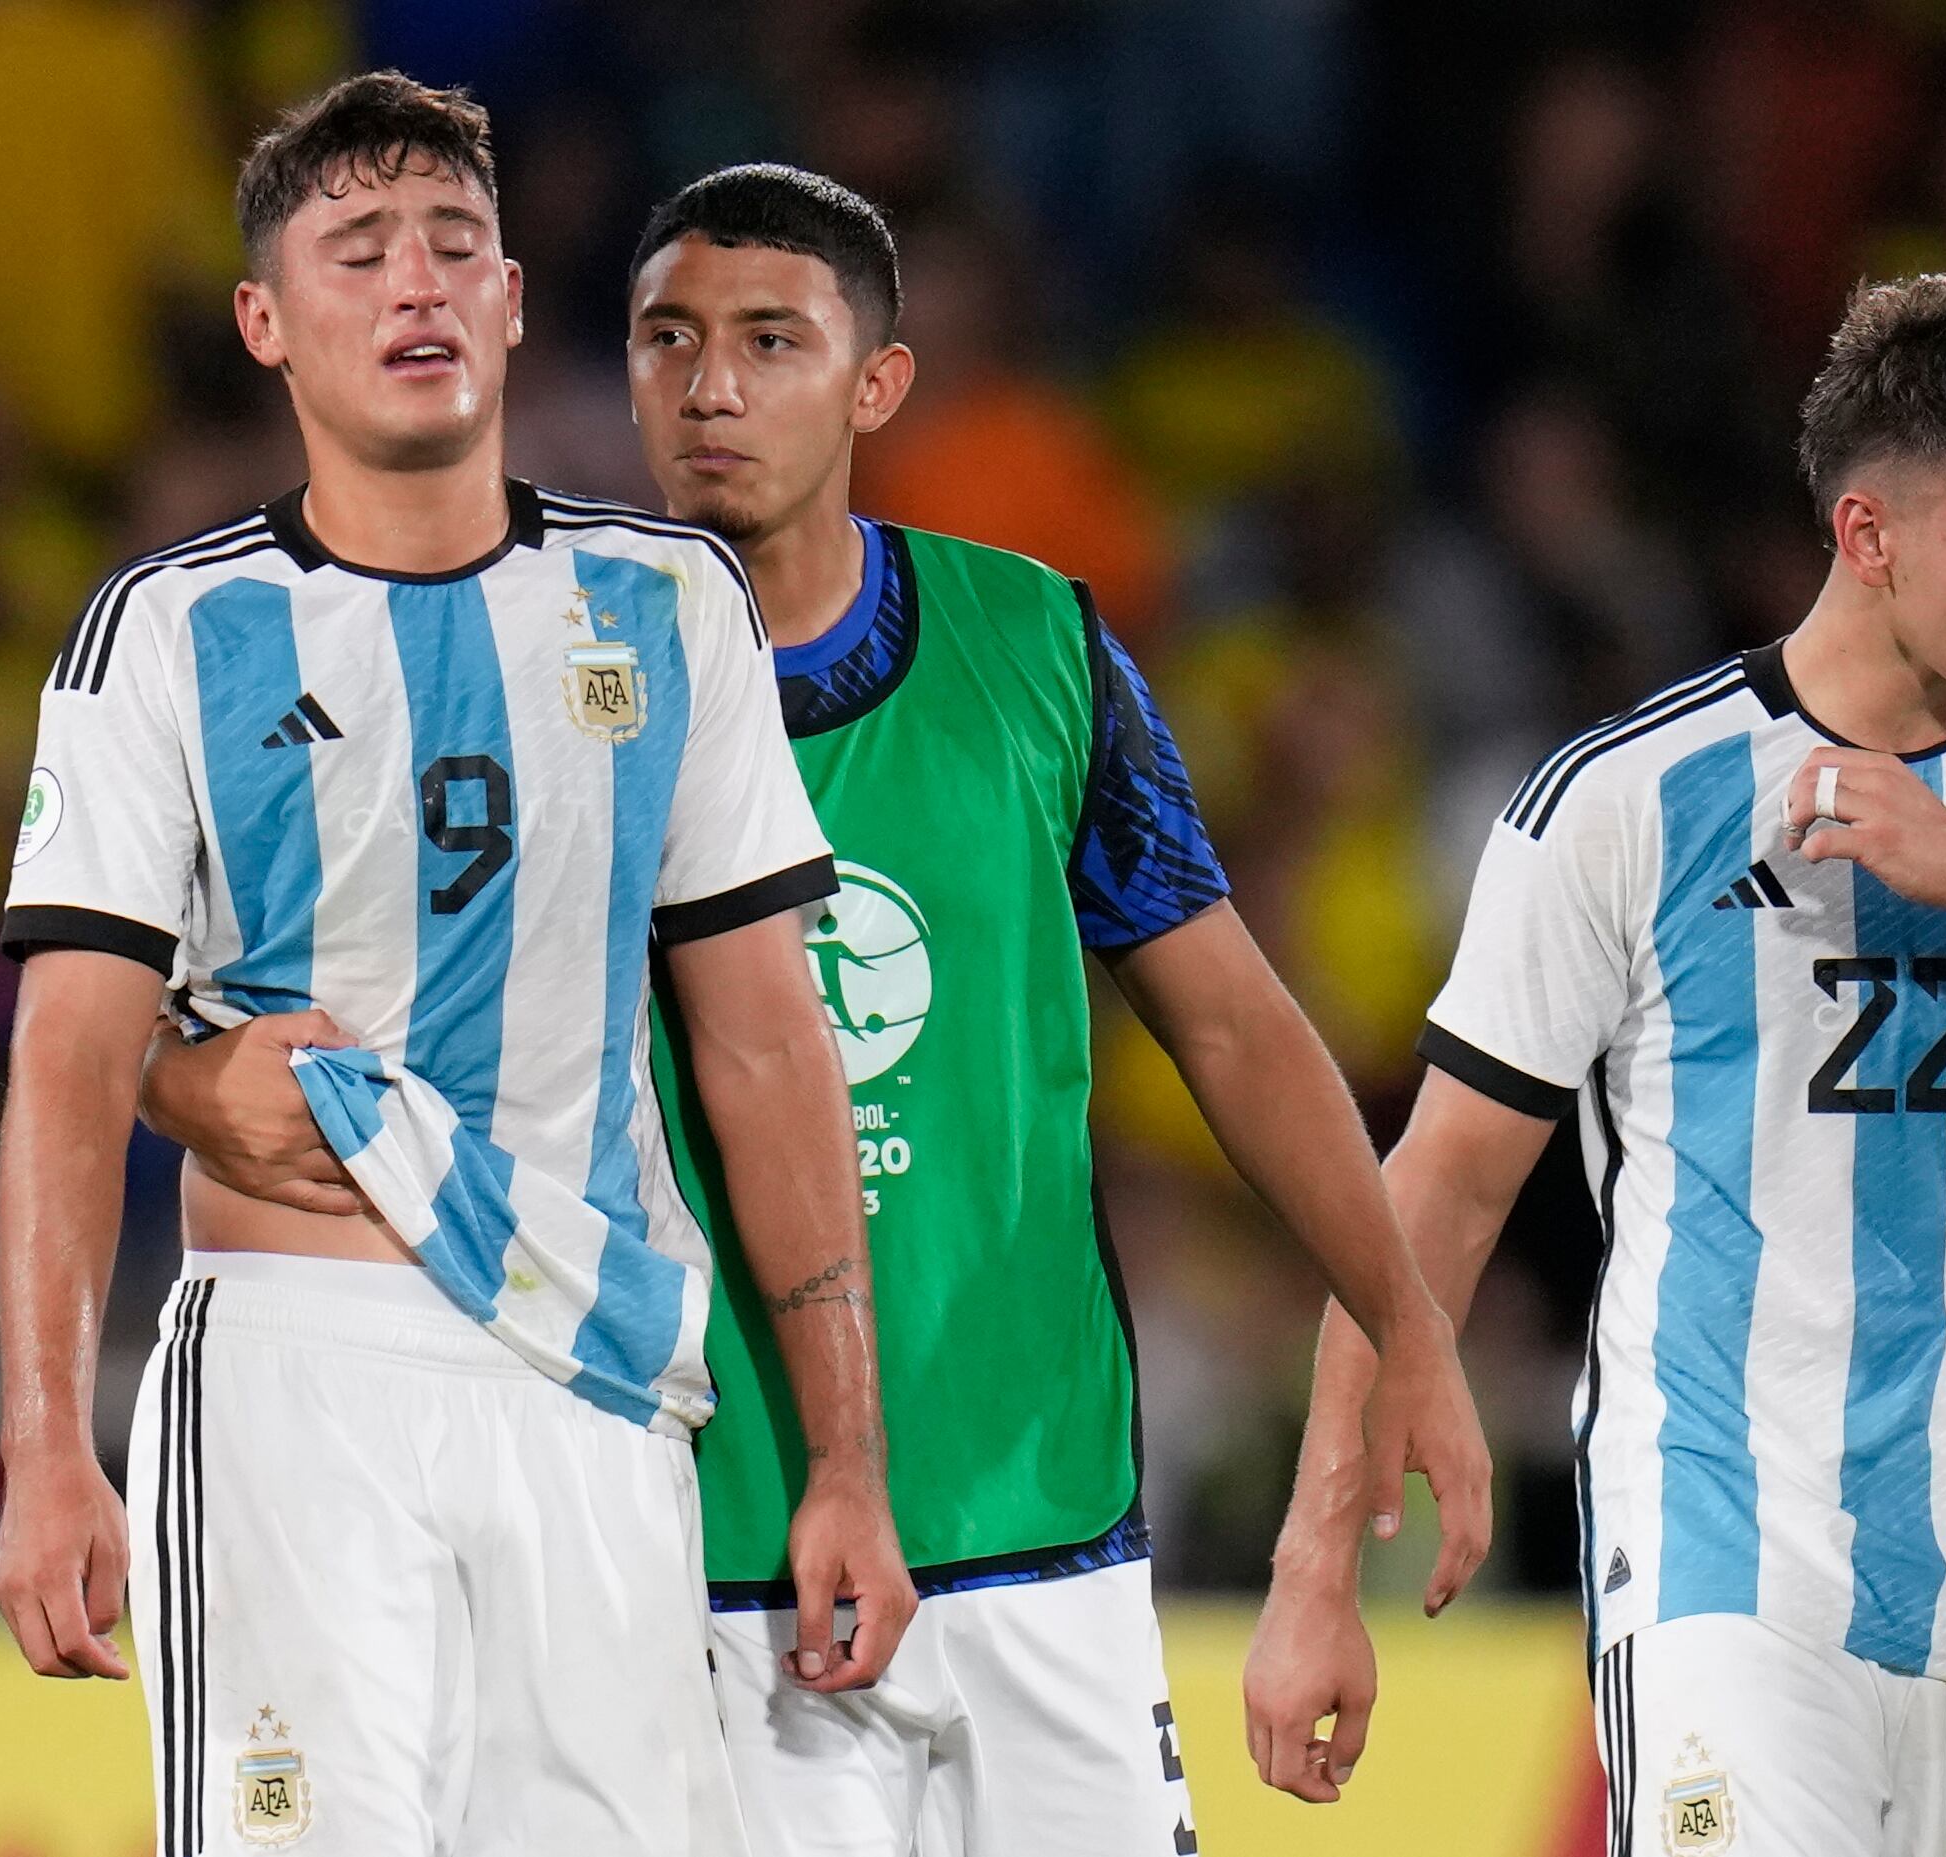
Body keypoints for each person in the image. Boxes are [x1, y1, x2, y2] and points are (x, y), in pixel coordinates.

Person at [146, 162, 1490, 1857]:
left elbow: (1229, 1024)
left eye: (771, 340)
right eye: (667, 340)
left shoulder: (1037, 645)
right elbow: (270, 1010)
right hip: (708, 1544)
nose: (710, 387)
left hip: (1044, 1514)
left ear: (877, 382)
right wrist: (175, 1084)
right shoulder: (530, 662)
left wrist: (1407, 1326)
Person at [0, 77, 909, 1856]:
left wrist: (846, 1457)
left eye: (454, 245)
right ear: (265, 320)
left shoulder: (667, 601)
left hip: (594, 1370)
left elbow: (768, 1049)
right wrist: (46, 1444)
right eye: (356, 250)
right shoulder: (169, 630)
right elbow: (71, 1060)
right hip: (297, 1371)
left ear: (510, 299)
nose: (415, 281)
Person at [1245, 266, 1946, 1848]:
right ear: (1867, 536)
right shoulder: (1624, 801)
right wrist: (1313, 1570)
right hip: (1723, 1574)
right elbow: (1430, 1196)